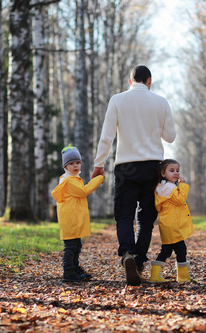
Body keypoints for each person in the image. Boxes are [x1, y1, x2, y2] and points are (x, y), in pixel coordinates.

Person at [91, 65, 177, 286]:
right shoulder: (160, 101)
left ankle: (127, 253)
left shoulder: (117, 100)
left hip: (125, 166)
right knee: (146, 219)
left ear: (130, 82)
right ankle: (138, 262)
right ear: (149, 81)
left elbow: (106, 136)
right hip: (152, 166)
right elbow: (170, 137)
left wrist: (99, 164)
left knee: (124, 215)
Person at [52, 144, 104, 282]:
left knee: (76, 245)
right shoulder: (69, 181)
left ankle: (74, 268)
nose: (75, 166)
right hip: (70, 220)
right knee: (70, 247)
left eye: (77, 163)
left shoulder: (72, 179)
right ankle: (68, 271)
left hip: (73, 219)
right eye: (71, 164)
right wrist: (98, 179)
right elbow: (84, 191)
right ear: (65, 167)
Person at [150, 159, 194, 283]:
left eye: (177, 171)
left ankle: (155, 275)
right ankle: (183, 277)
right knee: (180, 249)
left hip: (167, 224)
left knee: (167, 250)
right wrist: (183, 185)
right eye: (172, 170)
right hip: (173, 225)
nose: (175, 173)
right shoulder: (169, 188)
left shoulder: (162, 186)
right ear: (163, 174)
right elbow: (180, 200)